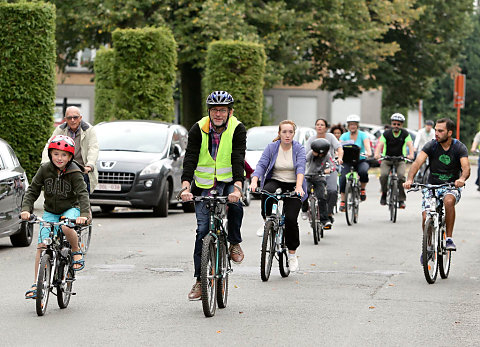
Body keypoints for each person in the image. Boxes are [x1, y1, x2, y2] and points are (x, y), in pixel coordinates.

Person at [180, 91, 246, 301]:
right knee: (202, 233)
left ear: (230, 111)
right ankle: (200, 281)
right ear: (209, 111)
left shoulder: (237, 128)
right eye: (214, 110)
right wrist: (185, 188)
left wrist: (237, 188)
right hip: (203, 184)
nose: (218, 114)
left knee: (235, 206)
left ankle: (234, 241)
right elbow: (190, 157)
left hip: (227, 181)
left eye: (222, 110)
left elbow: (238, 158)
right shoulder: (198, 128)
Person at [21, 135, 90, 299]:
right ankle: (37, 284)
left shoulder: (74, 172)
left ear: (70, 157)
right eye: (56, 154)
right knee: (42, 245)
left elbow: (82, 194)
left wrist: (84, 215)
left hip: (70, 209)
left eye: (64, 155)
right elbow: (32, 190)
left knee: (66, 226)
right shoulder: (45, 169)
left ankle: (75, 250)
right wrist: (26, 209)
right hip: (51, 211)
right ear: (50, 154)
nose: (60, 158)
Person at [404, 118, 469, 251]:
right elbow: (417, 163)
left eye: (440, 131)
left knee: (449, 201)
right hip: (431, 186)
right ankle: (427, 246)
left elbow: (466, 167)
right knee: (425, 216)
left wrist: (461, 179)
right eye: (435, 130)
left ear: (449, 133)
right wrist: (410, 179)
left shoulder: (459, 147)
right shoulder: (431, 145)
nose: (436, 133)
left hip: (451, 186)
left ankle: (449, 238)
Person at [250, 120, 307, 272]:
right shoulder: (272, 147)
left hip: (294, 184)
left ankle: (292, 255)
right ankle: (267, 221)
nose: (287, 135)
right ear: (279, 133)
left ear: (293, 134)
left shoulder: (299, 148)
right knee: (267, 192)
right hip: (276, 181)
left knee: (290, 219)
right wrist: (254, 180)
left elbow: (301, 167)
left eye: (290, 132)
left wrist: (299, 187)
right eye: (284, 132)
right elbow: (261, 165)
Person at [42, 106, 99, 193]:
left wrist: (89, 165)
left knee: (83, 199)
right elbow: (49, 146)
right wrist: (45, 163)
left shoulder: (89, 130)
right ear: (65, 119)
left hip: (81, 170)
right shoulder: (60, 129)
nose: (72, 120)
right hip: (63, 169)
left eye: (75, 117)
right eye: (69, 118)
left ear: (80, 118)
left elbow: (93, 148)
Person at [302, 118, 344, 226]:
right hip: (310, 174)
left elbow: (338, 149)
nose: (319, 126)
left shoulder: (330, 141)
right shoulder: (311, 146)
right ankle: (305, 209)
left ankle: (327, 214)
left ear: (326, 127)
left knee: (330, 192)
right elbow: (304, 158)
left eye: (322, 125)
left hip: (324, 172)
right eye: (317, 124)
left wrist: (338, 159)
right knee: (304, 191)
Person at [374, 113, 414, 208]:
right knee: (383, 175)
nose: (396, 126)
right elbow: (380, 144)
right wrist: (377, 154)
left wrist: (411, 154)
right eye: (394, 124)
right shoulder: (386, 133)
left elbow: (410, 144)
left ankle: (401, 199)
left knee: (401, 177)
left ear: (401, 125)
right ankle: (384, 193)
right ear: (391, 124)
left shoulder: (405, 133)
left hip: (400, 159)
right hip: (387, 159)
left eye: (398, 124)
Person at [338, 114, 372, 211]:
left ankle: (362, 189)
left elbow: (367, 146)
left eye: (354, 124)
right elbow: (339, 148)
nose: (352, 126)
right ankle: (343, 201)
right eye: (350, 124)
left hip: (360, 160)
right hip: (347, 161)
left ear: (357, 125)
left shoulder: (363, 135)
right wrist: (338, 156)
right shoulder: (344, 136)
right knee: (343, 177)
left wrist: (368, 153)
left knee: (363, 172)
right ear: (348, 126)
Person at [301, 138, 335, 229]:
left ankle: (324, 220)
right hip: (308, 176)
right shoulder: (311, 154)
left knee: (321, 197)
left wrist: (329, 170)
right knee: (305, 192)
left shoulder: (327, 155)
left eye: (317, 152)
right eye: (314, 151)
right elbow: (303, 161)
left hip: (320, 178)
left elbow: (333, 165)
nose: (315, 153)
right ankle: (304, 210)